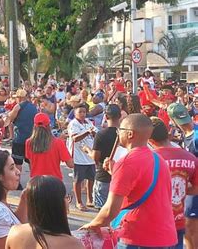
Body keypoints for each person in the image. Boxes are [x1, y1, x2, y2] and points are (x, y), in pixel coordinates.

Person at [82, 114, 177, 248]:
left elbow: (110, 210)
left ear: (130, 134)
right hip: (164, 235)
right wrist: (114, 172)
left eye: (120, 130)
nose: (118, 133)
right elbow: (142, 185)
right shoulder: (158, 159)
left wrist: (91, 225)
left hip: (137, 236)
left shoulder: (127, 162)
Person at [148, 117, 198, 248]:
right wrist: (182, 190)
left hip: (154, 221)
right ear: (168, 133)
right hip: (178, 219)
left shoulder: (149, 159)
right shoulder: (190, 158)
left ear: (149, 140)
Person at [6, 176, 83, 249]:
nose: (68, 201)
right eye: (66, 197)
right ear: (57, 204)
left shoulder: (15, 232)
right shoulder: (72, 244)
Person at [83, 104, 122, 209]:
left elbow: (95, 157)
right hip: (121, 176)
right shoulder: (125, 134)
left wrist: (87, 149)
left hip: (103, 177)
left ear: (106, 116)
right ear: (119, 116)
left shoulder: (101, 134)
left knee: (102, 211)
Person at [25, 113, 73, 180]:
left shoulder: (29, 142)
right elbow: (70, 164)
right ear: (49, 125)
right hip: (54, 181)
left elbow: (31, 163)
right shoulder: (58, 143)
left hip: (36, 181)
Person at [68, 104, 96, 210]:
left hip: (90, 156)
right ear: (75, 113)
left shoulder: (89, 123)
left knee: (91, 179)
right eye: (80, 112)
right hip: (78, 157)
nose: (82, 114)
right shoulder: (73, 124)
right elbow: (75, 138)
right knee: (78, 180)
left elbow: (96, 134)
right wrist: (86, 132)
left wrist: (93, 133)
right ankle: (79, 202)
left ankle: (90, 199)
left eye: (84, 112)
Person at [8, 88, 38, 178]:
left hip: (19, 138)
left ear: (19, 98)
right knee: (31, 162)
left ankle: (18, 181)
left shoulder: (17, 107)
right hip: (31, 138)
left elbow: (10, 119)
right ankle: (34, 181)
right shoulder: (34, 107)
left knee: (17, 162)